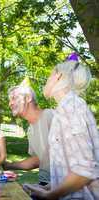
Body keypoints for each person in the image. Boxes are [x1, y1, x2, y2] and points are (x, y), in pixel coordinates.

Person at [26, 54, 99, 199]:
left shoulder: (71, 108)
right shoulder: (66, 108)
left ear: (58, 77)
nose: (45, 82)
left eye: (48, 76)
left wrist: (50, 196)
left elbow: (85, 171)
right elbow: (70, 169)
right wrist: (45, 188)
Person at [4, 79, 53, 186]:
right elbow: (37, 160)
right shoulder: (30, 130)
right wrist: (7, 165)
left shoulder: (50, 116)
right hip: (44, 183)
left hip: (63, 186)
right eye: (9, 100)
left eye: (14, 98)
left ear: (28, 98)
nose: (10, 103)